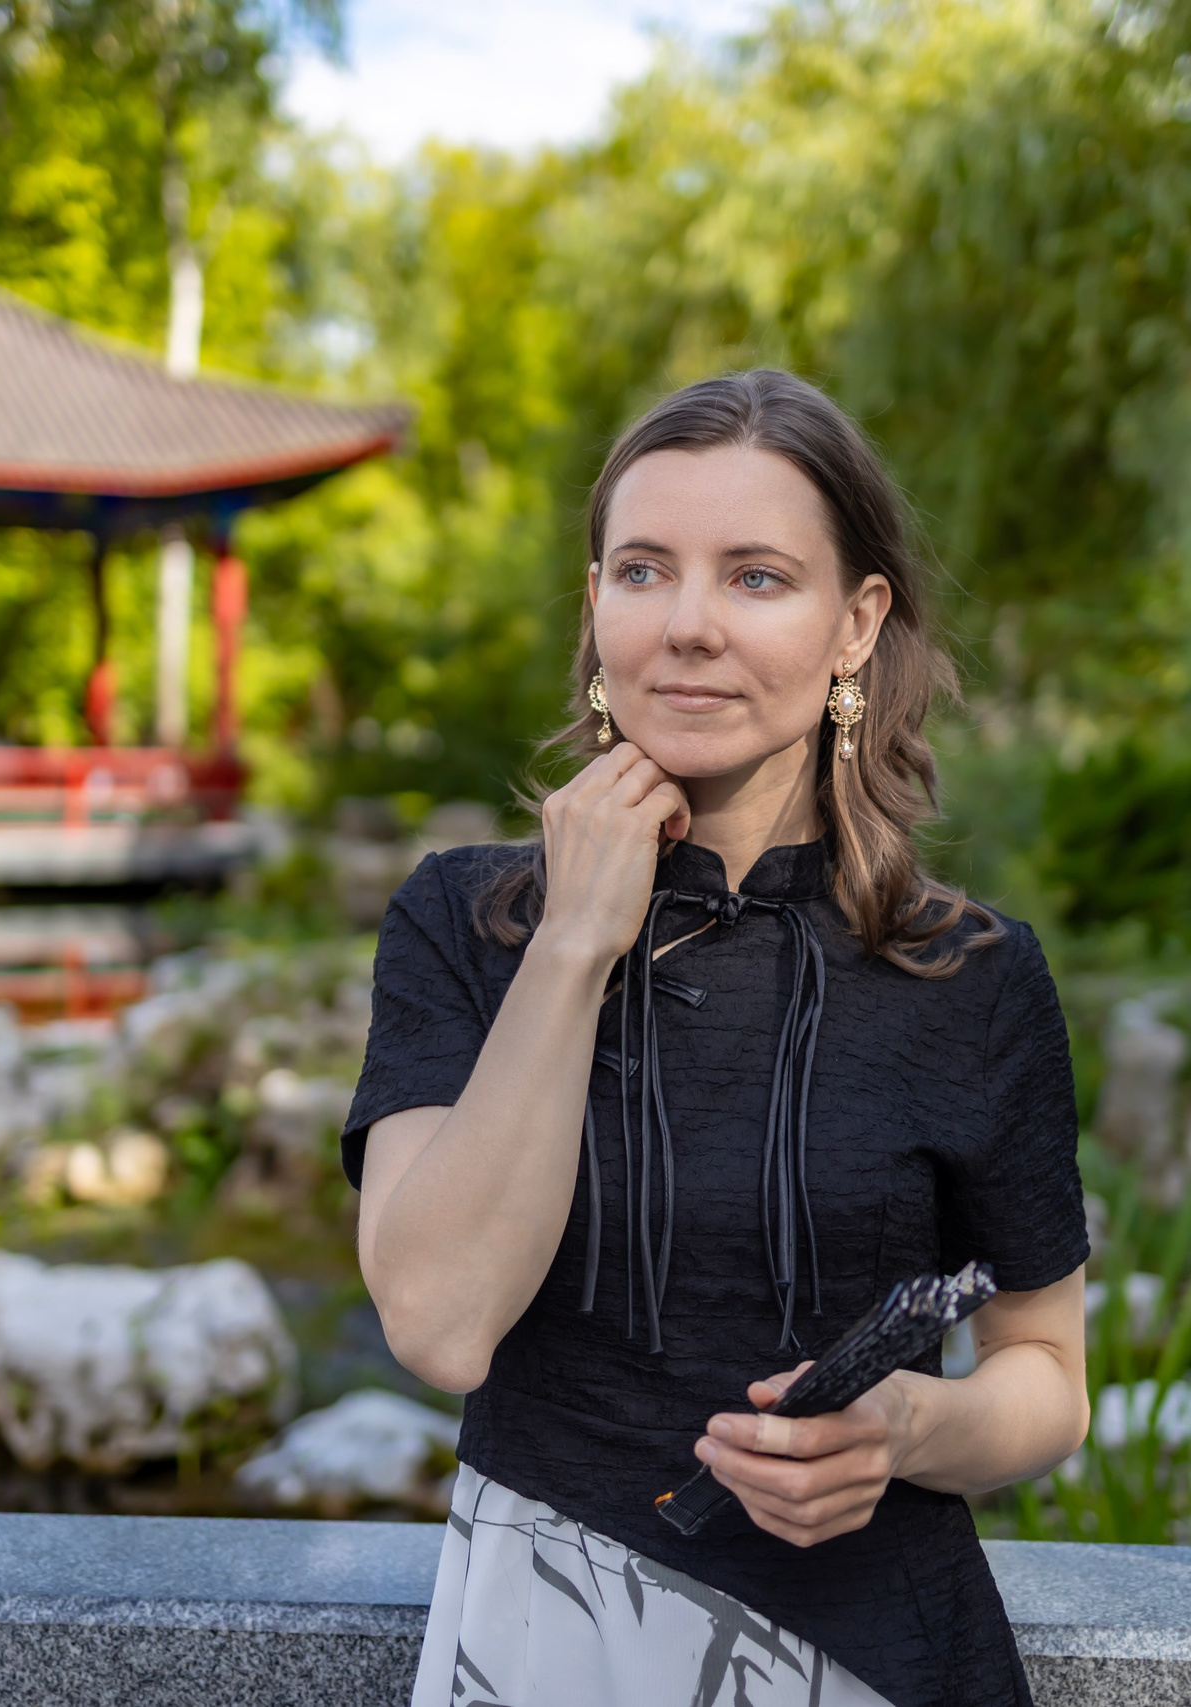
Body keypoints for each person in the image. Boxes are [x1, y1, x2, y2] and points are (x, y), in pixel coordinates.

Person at [342, 369, 1091, 1707]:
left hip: (880, 1656)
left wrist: (907, 1426)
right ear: (595, 607)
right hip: (550, 1638)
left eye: (756, 578)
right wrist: (574, 942)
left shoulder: (971, 974)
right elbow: (442, 1326)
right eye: (643, 571)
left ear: (857, 623)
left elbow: (1046, 1378)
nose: (687, 626)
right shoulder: (464, 921)